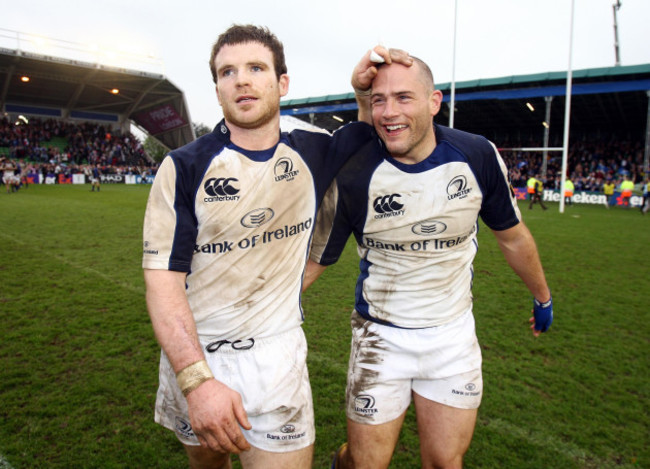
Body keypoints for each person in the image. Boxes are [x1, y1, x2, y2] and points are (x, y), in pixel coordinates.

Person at [142, 24, 410, 469]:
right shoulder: (183, 167)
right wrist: (197, 382)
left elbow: (370, 136)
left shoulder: (314, 153)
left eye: (255, 68)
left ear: (281, 83)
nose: (242, 80)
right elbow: (162, 284)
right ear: (217, 89)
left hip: (276, 357)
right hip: (197, 355)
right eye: (228, 72)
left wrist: (362, 93)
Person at [303, 57, 553, 469]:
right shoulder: (355, 171)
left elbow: (512, 237)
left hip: (452, 338)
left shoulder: (476, 156)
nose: (390, 112)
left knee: (444, 461)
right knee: (365, 464)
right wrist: (255, 317)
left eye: (404, 97)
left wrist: (542, 298)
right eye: (379, 100)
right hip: (380, 338)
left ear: (434, 101)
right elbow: (317, 259)